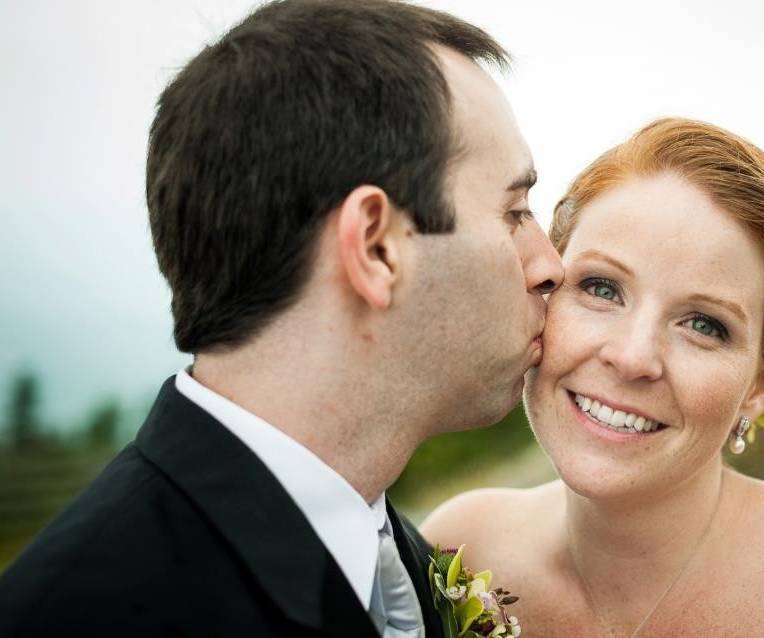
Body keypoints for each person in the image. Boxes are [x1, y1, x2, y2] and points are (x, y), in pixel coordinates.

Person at [0, 1, 562, 636]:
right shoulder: (79, 617)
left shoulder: (395, 556)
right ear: (376, 247)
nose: (550, 265)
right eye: (514, 211)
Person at [423, 118, 764, 636]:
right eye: (603, 289)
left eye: (704, 325)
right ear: (545, 285)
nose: (633, 358)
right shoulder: (461, 548)